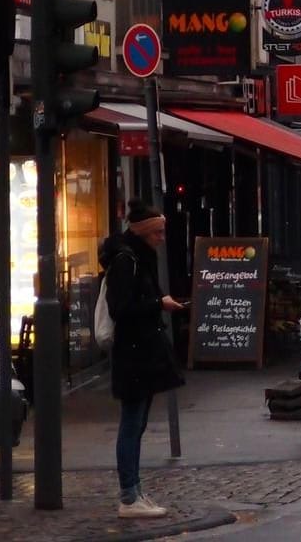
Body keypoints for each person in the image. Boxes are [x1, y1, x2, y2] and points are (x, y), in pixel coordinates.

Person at [99, 204, 187, 519]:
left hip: (140, 351)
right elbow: (120, 308)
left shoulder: (136, 257)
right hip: (133, 353)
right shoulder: (127, 261)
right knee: (132, 423)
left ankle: (134, 490)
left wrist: (157, 304)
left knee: (137, 423)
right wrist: (157, 304)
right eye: (158, 232)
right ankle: (128, 495)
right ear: (142, 232)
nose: (162, 238)